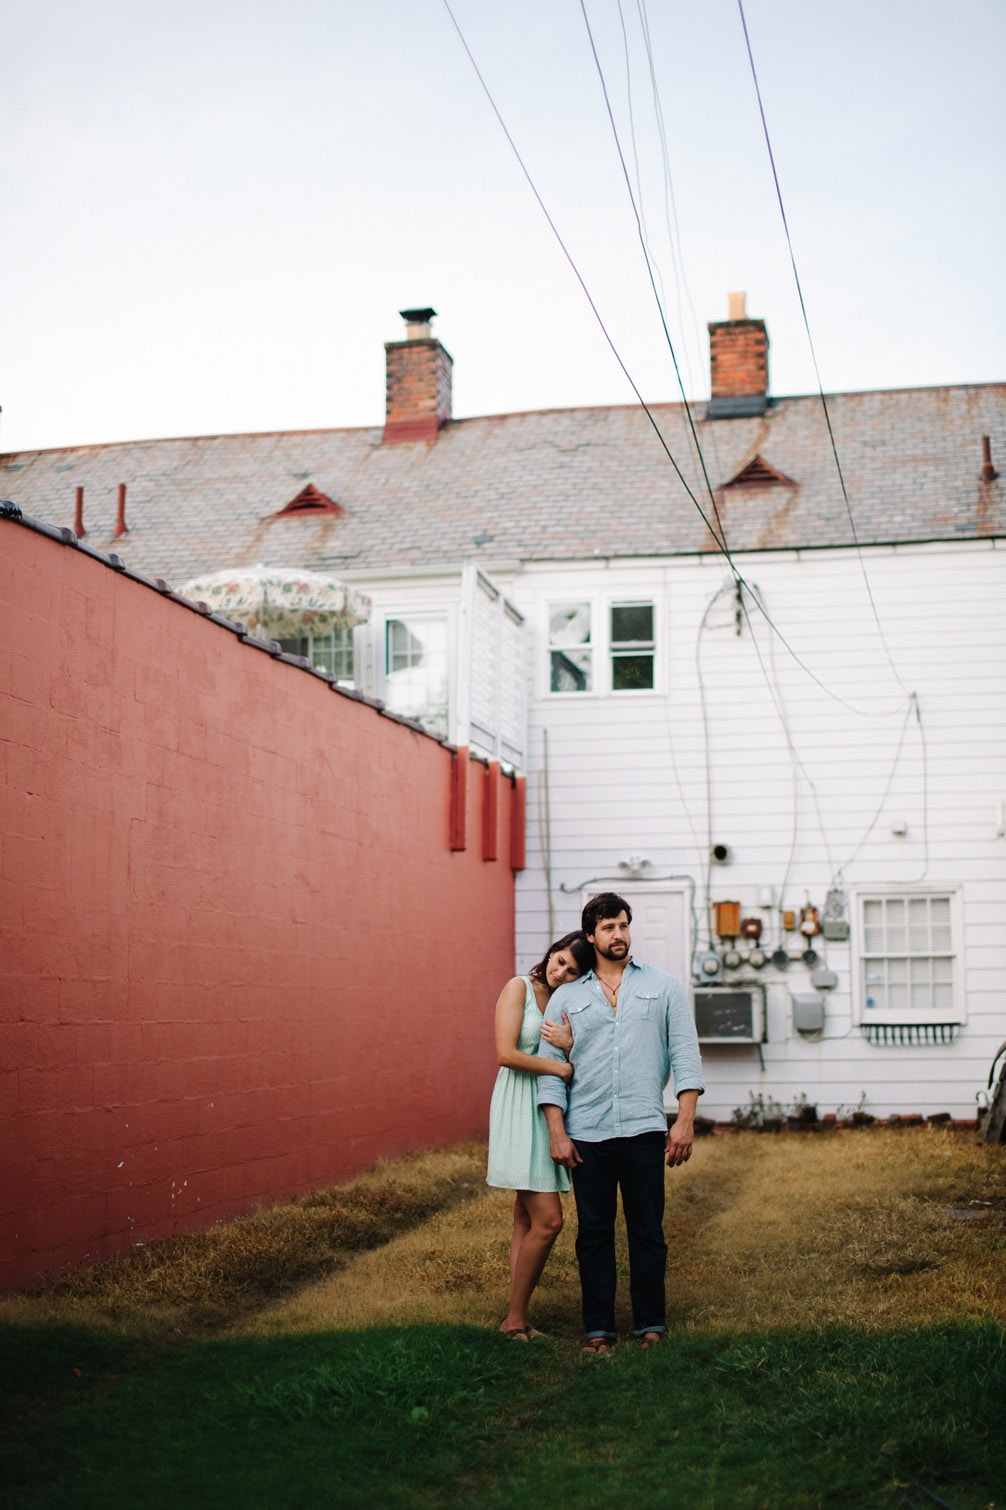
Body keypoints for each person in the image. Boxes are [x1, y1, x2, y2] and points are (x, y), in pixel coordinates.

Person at [537, 893, 704, 1354]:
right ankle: (598, 1329)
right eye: (608, 927)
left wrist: (684, 1120)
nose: (619, 935)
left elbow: (686, 1055)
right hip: (586, 1131)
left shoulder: (664, 986)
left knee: (647, 1229)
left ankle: (651, 1322)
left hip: (643, 1128)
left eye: (624, 926)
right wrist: (557, 1131)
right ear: (590, 934)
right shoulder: (567, 997)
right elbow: (549, 1070)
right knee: (593, 1233)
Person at [487, 930, 594, 1340]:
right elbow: (506, 1053)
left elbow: (582, 1053)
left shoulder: (567, 1001)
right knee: (548, 1222)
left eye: (571, 969)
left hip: (550, 1107)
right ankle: (515, 1318)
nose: (560, 970)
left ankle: (519, 1319)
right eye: (558, 959)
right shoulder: (520, 988)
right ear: (550, 953)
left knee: (524, 1219)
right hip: (519, 1105)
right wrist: (561, 1068)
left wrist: (570, 1048)